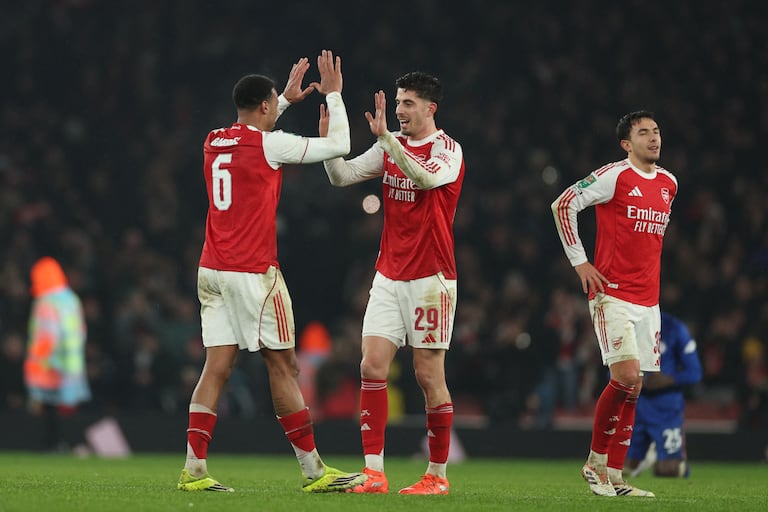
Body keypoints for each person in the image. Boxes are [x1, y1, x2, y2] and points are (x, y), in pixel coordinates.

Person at [177, 50, 366, 493]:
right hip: (252, 273)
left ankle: (194, 470)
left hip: (211, 270)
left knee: (216, 366)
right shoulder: (270, 144)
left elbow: (253, 124)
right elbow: (339, 146)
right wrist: (334, 96)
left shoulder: (213, 140)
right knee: (283, 364)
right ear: (264, 108)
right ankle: (315, 472)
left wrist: (282, 98)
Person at [322, 71, 465, 495]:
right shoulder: (392, 145)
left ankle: (437, 476)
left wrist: (386, 140)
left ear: (430, 108)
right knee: (371, 366)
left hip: (431, 278)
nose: (400, 110)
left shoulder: (448, 150)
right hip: (388, 273)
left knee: (427, 375)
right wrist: (331, 146)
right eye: (398, 102)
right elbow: (342, 177)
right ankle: (374, 473)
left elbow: (424, 179)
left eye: (407, 103)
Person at [551, 110, 677, 497]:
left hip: (648, 301)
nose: (653, 138)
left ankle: (617, 478)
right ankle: (594, 463)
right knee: (624, 378)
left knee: (635, 386)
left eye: (656, 131)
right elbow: (563, 204)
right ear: (627, 143)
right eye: (643, 133)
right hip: (613, 294)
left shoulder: (670, 184)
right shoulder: (614, 175)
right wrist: (581, 263)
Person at [24, 256, 91, 450]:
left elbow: (46, 335)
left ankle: (54, 443)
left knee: (49, 405)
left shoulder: (46, 301)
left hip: (51, 362)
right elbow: (80, 330)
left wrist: (40, 362)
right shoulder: (71, 298)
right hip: (72, 362)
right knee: (68, 406)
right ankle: (73, 443)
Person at [625, 311, 702, 478]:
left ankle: (662, 457)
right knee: (622, 468)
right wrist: (637, 380)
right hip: (637, 404)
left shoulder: (675, 328)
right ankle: (645, 456)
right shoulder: (628, 326)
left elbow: (695, 372)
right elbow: (613, 371)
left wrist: (668, 379)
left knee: (668, 471)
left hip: (666, 406)